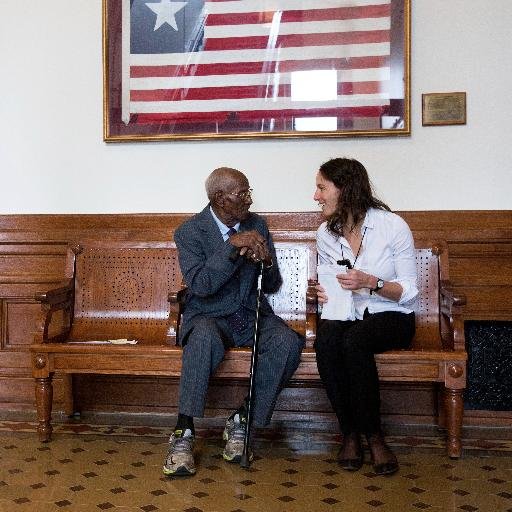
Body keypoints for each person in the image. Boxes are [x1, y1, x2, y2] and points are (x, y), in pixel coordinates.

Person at [163, 167, 304, 476]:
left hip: (249, 314)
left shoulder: (258, 225)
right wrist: (231, 248)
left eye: (248, 192)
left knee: (288, 342)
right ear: (219, 198)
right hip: (208, 316)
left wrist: (265, 262)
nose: (249, 200)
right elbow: (200, 285)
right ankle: (183, 432)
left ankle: (242, 418)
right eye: (242, 194)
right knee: (201, 339)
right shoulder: (190, 232)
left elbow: (271, 284)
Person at [313, 157, 418, 476]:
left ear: (344, 190)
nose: (316, 196)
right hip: (345, 312)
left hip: (393, 315)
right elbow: (334, 284)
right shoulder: (325, 233)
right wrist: (322, 293)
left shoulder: (392, 226)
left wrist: (372, 282)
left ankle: (374, 436)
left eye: (321, 188)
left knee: (355, 341)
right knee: (327, 340)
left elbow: (410, 291)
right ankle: (350, 433)